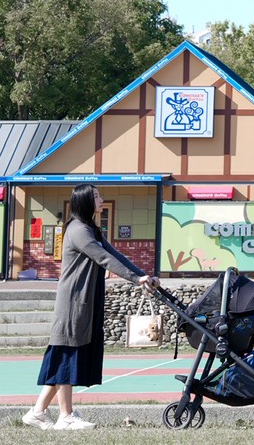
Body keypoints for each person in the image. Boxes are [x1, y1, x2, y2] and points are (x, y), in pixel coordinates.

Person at [22, 184, 159, 431]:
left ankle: (38, 412)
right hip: (74, 301)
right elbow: (103, 258)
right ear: (85, 201)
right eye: (96, 196)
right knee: (67, 357)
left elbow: (114, 254)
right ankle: (66, 416)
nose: (101, 199)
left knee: (65, 357)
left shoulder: (90, 229)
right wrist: (135, 278)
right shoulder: (79, 231)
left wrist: (142, 275)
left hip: (82, 300)